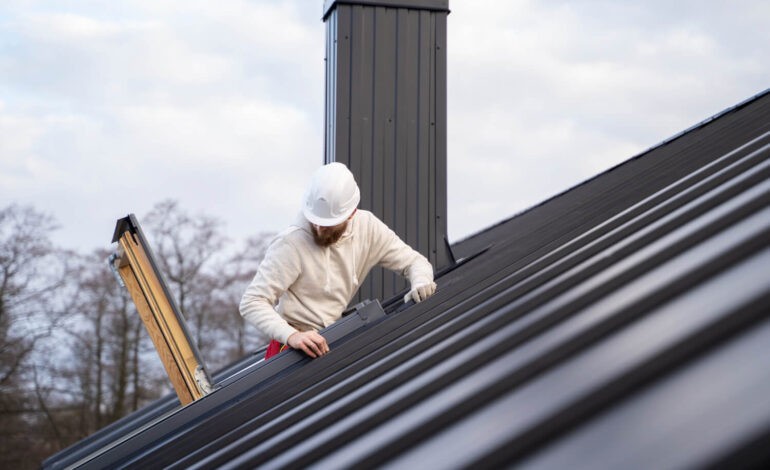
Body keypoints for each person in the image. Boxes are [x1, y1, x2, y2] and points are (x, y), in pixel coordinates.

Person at [240, 162, 437, 359]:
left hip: (329, 340)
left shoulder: (368, 228)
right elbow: (252, 301)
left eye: (327, 225)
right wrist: (292, 336)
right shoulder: (291, 243)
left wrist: (421, 281)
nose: (318, 229)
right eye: (315, 222)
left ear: (351, 214)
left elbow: (415, 262)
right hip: (290, 348)